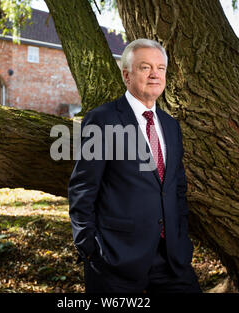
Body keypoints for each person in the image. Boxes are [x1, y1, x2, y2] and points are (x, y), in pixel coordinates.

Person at [68, 38, 201, 293]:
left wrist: (182, 240)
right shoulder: (103, 119)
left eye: (160, 68)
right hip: (116, 259)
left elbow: (176, 188)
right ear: (126, 75)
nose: (155, 74)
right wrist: (90, 248)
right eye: (145, 67)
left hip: (172, 259)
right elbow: (82, 189)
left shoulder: (170, 126)